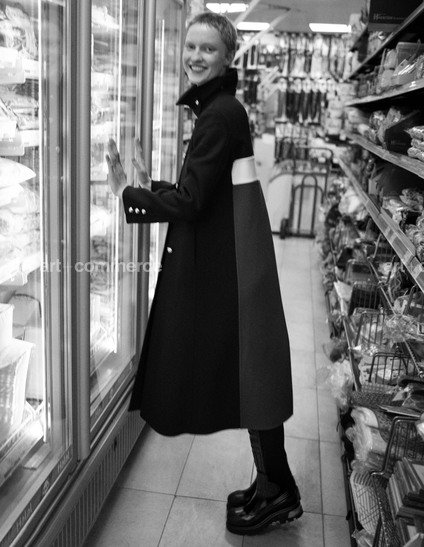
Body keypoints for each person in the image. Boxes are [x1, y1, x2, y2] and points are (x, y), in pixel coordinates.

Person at [106, 11, 302, 536]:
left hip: (234, 269)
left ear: (227, 56)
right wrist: (153, 186)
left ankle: (279, 491)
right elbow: (204, 189)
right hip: (237, 259)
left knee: (254, 376)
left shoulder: (218, 114)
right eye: (190, 46)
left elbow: (192, 202)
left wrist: (129, 194)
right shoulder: (219, 109)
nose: (195, 56)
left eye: (208, 49)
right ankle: (271, 483)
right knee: (254, 375)